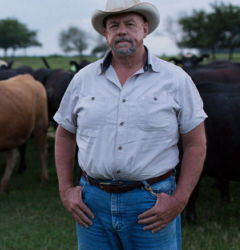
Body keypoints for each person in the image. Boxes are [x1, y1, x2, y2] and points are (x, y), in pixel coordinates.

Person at [53, 0, 207, 249]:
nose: (121, 30)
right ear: (106, 34)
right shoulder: (83, 79)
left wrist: (179, 199)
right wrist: (65, 190)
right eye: (113, 25)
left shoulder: (175, 79)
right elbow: (64, 136)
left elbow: (196, 143)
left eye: (130, 24)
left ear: (145, 29)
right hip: (92, 202)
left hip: (152, 201)